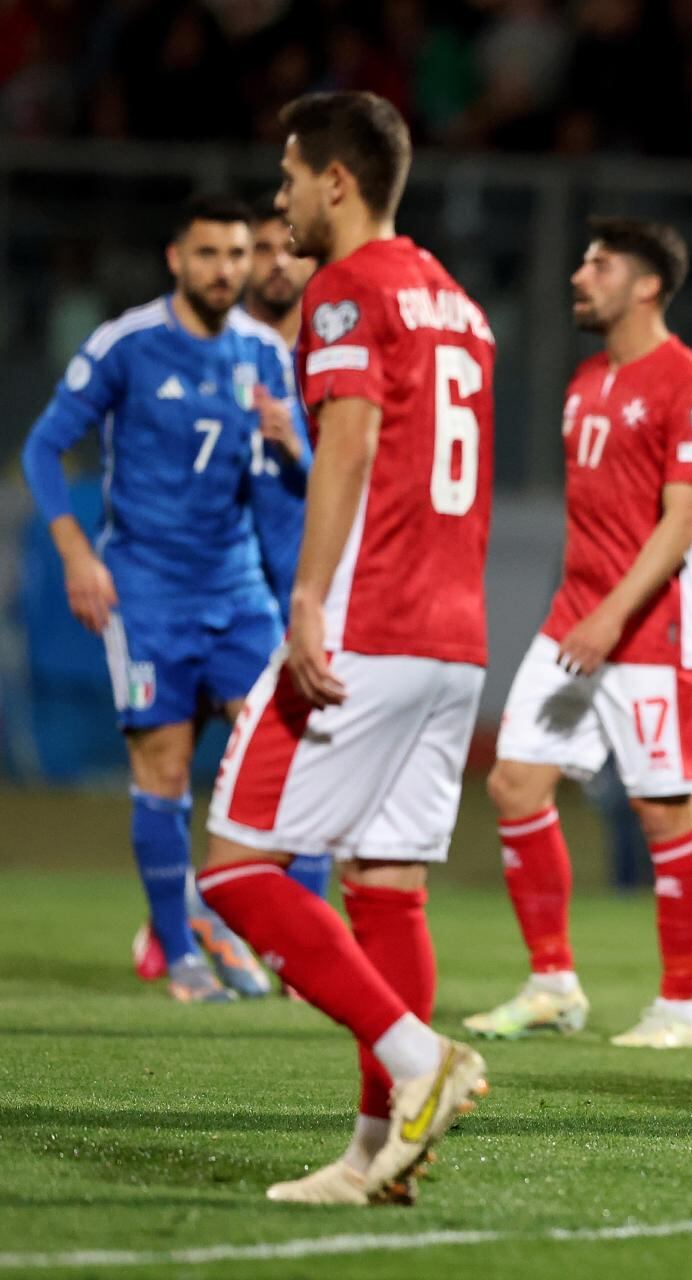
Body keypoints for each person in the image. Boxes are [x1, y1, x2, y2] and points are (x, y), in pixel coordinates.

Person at [195, 90, 495, 1205]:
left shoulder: (347, 289)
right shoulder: (459, 304)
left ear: (337, 179)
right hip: (455, 636)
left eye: (286, 178)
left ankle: (419, 1060)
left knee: (232, 865)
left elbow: (352, 445)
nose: (277, 204)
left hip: (369, 621)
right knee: (386, 883)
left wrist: (308, 599)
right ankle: (380, 1153)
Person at [19, 193, 293, 1004]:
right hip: (146, 593)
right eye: (209, 254)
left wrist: (296, 443)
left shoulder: (264, 353)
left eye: (238, 255)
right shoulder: (128, 345)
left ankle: (216, 907)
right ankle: (179, 956)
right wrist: (75, 551)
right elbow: (43, 446)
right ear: (177, 258)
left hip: (240, 593)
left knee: (284, 761)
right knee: (166, 768)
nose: (225, 270)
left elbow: (294, 487)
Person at [463, 217, 692, 1051]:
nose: (580, 276)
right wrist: (588, 613)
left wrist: (614, 615)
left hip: (653, 633)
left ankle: (678, 1011)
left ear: (646, 285)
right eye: (580, 260)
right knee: (514, 785)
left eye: (599, 265)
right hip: (577, 621)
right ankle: (552, 985)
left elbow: (683, 520)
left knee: (663, 812)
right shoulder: (585, 381)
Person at [241, 197, 332, 911]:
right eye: (260, 248)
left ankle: (299, 933)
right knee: (198, 763)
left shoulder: (332, 356)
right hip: (233, 591)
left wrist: (298, 448)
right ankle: (185, 927)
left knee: (313, 767)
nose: (275, 262)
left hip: (313, 587)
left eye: (288, 248)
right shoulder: (222, 353)